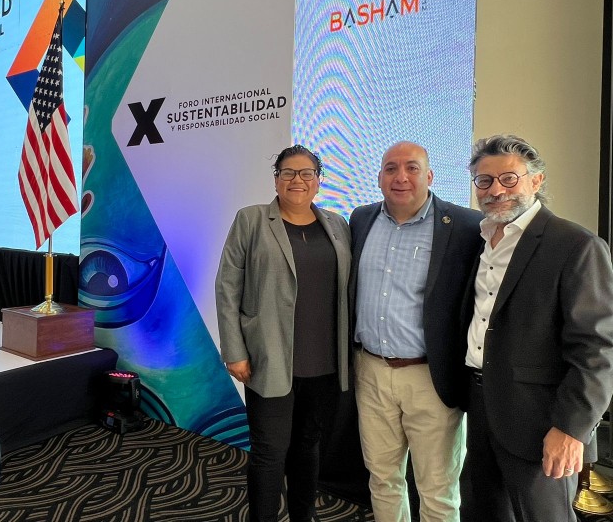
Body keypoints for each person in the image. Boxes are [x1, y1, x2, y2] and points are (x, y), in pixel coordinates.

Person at [461, 134, 613, 522]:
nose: (496, 190)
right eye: (484, 180)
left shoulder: (576, 245)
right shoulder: (481, 240)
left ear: (537, 180)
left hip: (540, 420)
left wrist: (571, 428)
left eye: (509, 178)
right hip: (480, 407)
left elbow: (596, 348)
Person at [215, 144, 351, 522]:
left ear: (318, 181)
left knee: (308, 445)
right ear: (276, 180)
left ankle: (302, 516)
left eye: (307, 173)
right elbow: (227, 287)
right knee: (270, 452)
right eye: (288, 172)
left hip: (323, 361)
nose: (297, 180)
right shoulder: (252, 220)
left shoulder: (337, 225)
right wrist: (234, 350)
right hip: (268, 356)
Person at [349, 141, 483, 522]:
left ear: (430, 176)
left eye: (412, 168)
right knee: (382, 478)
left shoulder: (464, 226)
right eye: (391, 168)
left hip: (431, 377)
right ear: (379, 177)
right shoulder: (361, 219)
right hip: (371, 372)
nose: (401, 177)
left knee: (438, 490)